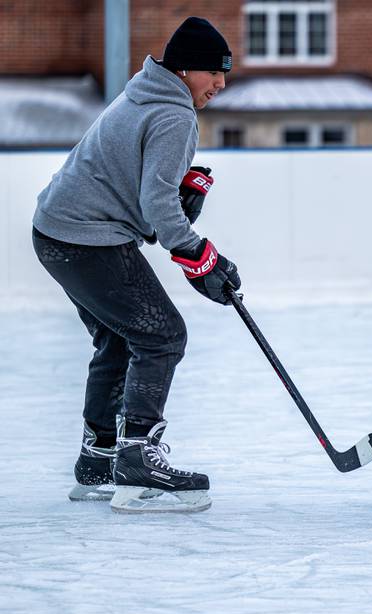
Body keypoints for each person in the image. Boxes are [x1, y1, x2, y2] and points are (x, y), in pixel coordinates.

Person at [31, 17, 240, 513]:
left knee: (121, 338)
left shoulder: (143, 95)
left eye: (224, 74)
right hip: (88, 240)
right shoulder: (175, 116)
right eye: (213, 72)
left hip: (56, 233)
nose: (220, 84)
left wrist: (177, 201)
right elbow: (159, 210)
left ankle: (98, 461)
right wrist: (200, 256)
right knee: (162, 335)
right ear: (186, 69)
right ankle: (137, 460)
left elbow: (145, 198)